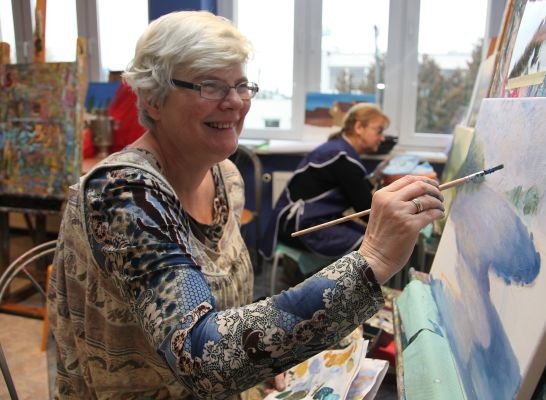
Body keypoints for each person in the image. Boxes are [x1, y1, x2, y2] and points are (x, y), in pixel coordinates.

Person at [48, 10, 445, 399]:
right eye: (211, 86)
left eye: (241, 85)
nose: (236, 102)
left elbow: (225, 314)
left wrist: (262, 359)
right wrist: (373, 259)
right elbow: (200, 358)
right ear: (153, 99)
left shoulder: (226, 178)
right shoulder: (124, 195)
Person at [260, 103, 391, 274]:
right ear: (359, 127)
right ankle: (343, 289)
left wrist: (375, 177)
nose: (382, 138)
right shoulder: (343, 159)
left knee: (368, 236)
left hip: (300, 220)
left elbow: (355, 192)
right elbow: (366, 210)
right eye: (379, 131)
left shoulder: (338, 150)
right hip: (299, 225)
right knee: (372, 246)